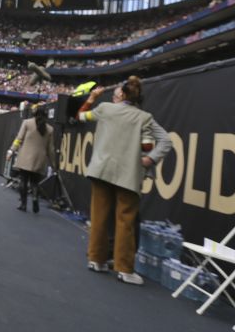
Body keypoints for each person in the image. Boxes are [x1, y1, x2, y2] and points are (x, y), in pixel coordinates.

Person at [77, 76, 172, 285]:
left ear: (123, 94)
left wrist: (92, 98)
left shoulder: (105, 109)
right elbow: (164, 141)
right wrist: (150, 158)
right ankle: (124, 269)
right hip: (129, 174)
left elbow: (81, 116)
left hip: (101, 170)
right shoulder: (145, 117)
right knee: (125, 221)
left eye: (118, 90)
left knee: (99, 217)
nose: (114, 92)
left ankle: (96, 259)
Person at [9, 106, 54, 213]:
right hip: (40, 159)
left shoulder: (27, 123)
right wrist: (54, 164)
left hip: (25, 157)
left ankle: (23, 204)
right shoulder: (50, 129)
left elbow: (19, 139)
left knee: (23, 180)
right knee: (35, 182)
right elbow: (51, 149)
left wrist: (11, 150)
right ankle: (34, 198)